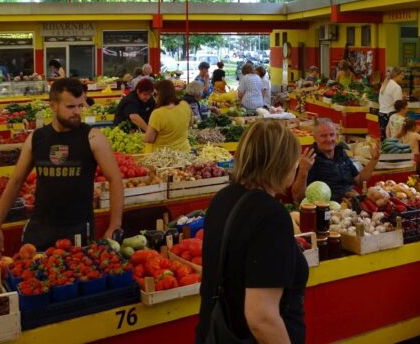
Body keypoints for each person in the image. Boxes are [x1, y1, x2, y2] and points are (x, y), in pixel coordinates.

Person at [196, 119, 308, 344]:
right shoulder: (271, 216)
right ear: (281, 163)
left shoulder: (223, 198)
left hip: (216, 333)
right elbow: (262, 318)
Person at [0, 78, 124, 252]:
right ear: (53, 106)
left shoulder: (94, 138)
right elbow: (15, 182)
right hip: (40, 228)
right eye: (70, 107)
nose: (77, 112)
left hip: (78, 229)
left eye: (80, 106)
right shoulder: (36, 138)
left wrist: (115, 225)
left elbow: (115, 179)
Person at [291, 118, 380, 203]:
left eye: (332, 134)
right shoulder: (310, 159)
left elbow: (360, 181)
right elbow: (298, 197)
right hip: (328, 209)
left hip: (352, 205)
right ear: (315, 138)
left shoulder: (341, 153)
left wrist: (374, 160)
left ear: (336, 136)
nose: (329, 139)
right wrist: (303, 171)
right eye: (323, 136)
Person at [144, 80, 192, 152]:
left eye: (154, 94)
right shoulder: (185, 104)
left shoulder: (157, 113)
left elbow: (149, 139)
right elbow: (190, 124)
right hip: (185, 152)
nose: (153, 97)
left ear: (159, 94)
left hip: (164, 156)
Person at [378, 67, 404, 140]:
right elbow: (398, 105)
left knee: (384, 140)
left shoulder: (384, 84)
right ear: (396, 75)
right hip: (390, 115)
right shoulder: (396, 87)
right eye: (401, 75)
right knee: (392, 141)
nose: (403, 77)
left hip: (381, 114)